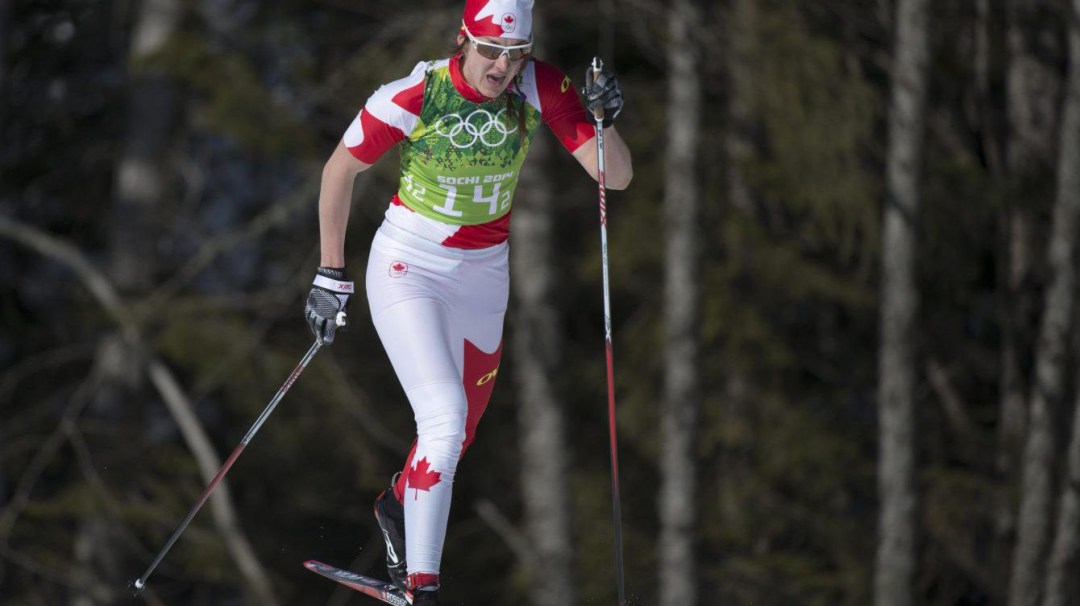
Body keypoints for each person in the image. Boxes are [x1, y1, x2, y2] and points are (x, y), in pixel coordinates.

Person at [304, 1, 632, 603]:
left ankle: (399, 505)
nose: (503, 68)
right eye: (490, 51)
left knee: (459, 434)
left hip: (484, 275)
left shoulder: (540, 85)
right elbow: (337, 172)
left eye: (515, 54)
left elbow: (613, 176)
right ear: (463, 40)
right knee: (444, 420)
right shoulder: (413, 95)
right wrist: (330, 273)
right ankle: (420, 587)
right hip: (410, 266)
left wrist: (605, 118)